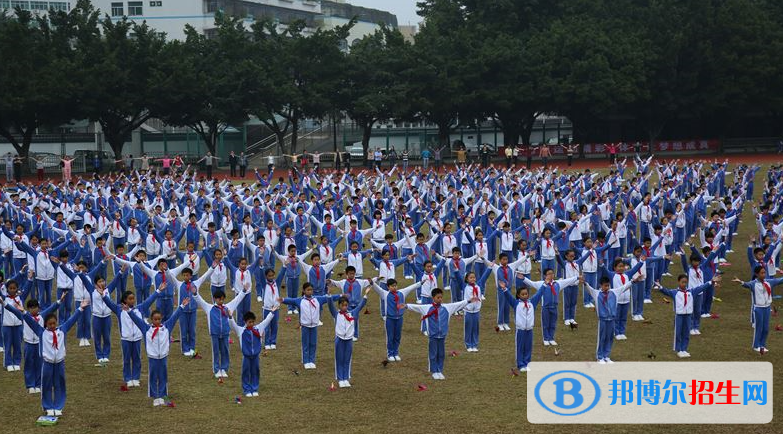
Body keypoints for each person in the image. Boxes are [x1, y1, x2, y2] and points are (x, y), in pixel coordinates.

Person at [5, 296, 88, 416]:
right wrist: (23, 311)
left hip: (60, 362)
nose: (52, 325)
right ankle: (48, 406)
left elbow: (71, 320)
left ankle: (58, 406)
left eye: (54, 323)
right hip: (47, 363)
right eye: (49, 324)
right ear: (45, 324)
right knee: (47, 385)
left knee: (59, 384)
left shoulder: (62, 330)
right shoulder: (41, 332)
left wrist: (80, 308)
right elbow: (30, 321)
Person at [127, 297, 189, 407]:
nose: (157, 321)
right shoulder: (146, 329)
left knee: (163, 376)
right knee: (153, 376)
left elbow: (175, 317)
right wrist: (129, 311)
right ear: (151, 319)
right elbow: (137, 320)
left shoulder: (166, 327)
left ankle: (162, 394)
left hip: (163, 356)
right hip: (153, 357)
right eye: (155, 319)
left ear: (161, 319)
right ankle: (155, 396)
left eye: (159, 319)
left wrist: (182, 306)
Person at [404, 288, 476, 380]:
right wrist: (406, 305)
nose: (440, 299)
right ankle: (434, 371)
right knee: (433, 354)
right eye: (438, 297)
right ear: (433, 298)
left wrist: (469, 301)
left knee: (441, 354)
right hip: (433, 336)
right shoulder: (427, 308)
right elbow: (416, 307)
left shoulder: (447, 308)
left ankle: (439, 370)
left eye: (441, 297)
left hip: (442, 335)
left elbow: (458, 304)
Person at [279, 282, 341, 370]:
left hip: (314, 326)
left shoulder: (318, 299)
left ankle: (312, 360)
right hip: (305, 326)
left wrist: (341, 295)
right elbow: (291, 300)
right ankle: (305, 361)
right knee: (306, 344)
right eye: (308, 290)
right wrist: (283, 300)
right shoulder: (300, 300)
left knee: (313, 343)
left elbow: (329, 298)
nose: (310, 292)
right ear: (304, 291)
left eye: (311, 290)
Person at [655, 275, 716, 358]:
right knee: (678, 332)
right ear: (678, 282)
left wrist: (710, 282)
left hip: (688, 315)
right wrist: (660, 287)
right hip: (679, 315)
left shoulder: (691, 292)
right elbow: (666, 291)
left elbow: (701, 288)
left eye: (685, 282)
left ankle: (684, 349)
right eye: (682, 282)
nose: (684, 284)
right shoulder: (675, 292)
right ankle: (679, 349)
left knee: (686, 332)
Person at [584, 276, 635, 363]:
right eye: (605, 286)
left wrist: (633, 281)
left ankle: (606, 356)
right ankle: (599, 357)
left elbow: (624, 287)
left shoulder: (614, 292)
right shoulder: (596, 293)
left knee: (609, 338)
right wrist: (585, 283)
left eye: (608, 286)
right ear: (601, 285)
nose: (607, 288)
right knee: (602, 338)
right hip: (602, 320)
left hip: (612, 320)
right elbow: (589, 289)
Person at [228, 308, 277, 397]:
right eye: (249, 322)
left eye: (253, 322)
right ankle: (246, 389)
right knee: (246, 372)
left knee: (255, 371)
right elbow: (233, 325)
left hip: (255, 356)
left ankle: (254, 388)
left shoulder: (258, 329)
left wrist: (272, 312)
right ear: (245, 322)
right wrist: (230, 317)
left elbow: (266, 321)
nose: (251, 324)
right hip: (246, 357)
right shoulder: (241, 331)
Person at [733, 266, 783, 353]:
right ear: (756, 274)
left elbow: (780, 280)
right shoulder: (753, 284)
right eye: (762, 273)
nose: (764, 274)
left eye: (764, 273)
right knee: (759, 328)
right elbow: (746, 284)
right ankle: (756, 345)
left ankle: (762, 345)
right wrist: (740, 281)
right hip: (758, 309)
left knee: (766, 328)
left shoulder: (769, 282)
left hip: (767, 308)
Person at [327, 290, 369, 388]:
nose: (344, 307)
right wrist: (329, 295)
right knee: (339, 359)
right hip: (339, 339)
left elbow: (360, 306)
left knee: (347, 359)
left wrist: (365, 296)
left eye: (346, 305)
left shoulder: (352, 313)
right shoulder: (336, 314)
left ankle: (346, 378)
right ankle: (340, 378)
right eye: (342, 305)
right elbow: (330, 306)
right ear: (339, 306)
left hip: (349, 340)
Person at [500, 283, 543, 372]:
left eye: (526, 294)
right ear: (518, 295)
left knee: (528, 347)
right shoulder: (516, 304)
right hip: (521, 330)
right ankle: (520, 364)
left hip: (529, 330)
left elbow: (539, 294)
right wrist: (504, 289)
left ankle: (527, 363)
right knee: (520, 347)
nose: (525, 296)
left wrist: (545, 285)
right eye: (522, 294)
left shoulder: (532, 303)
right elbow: (509, 297)